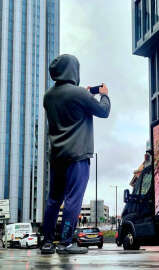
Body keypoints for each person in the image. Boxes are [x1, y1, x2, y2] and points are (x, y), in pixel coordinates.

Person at [41, 54, 111, 254]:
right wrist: (103, 94)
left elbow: (69, 105)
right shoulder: (79, 94)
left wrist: (84, 94)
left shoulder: (48, 96)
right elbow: (103, 111)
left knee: (54, 200)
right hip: (78, 155)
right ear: (73, 70)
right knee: (73, 199)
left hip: (56, 157)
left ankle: (47, 243)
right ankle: (65, 243)